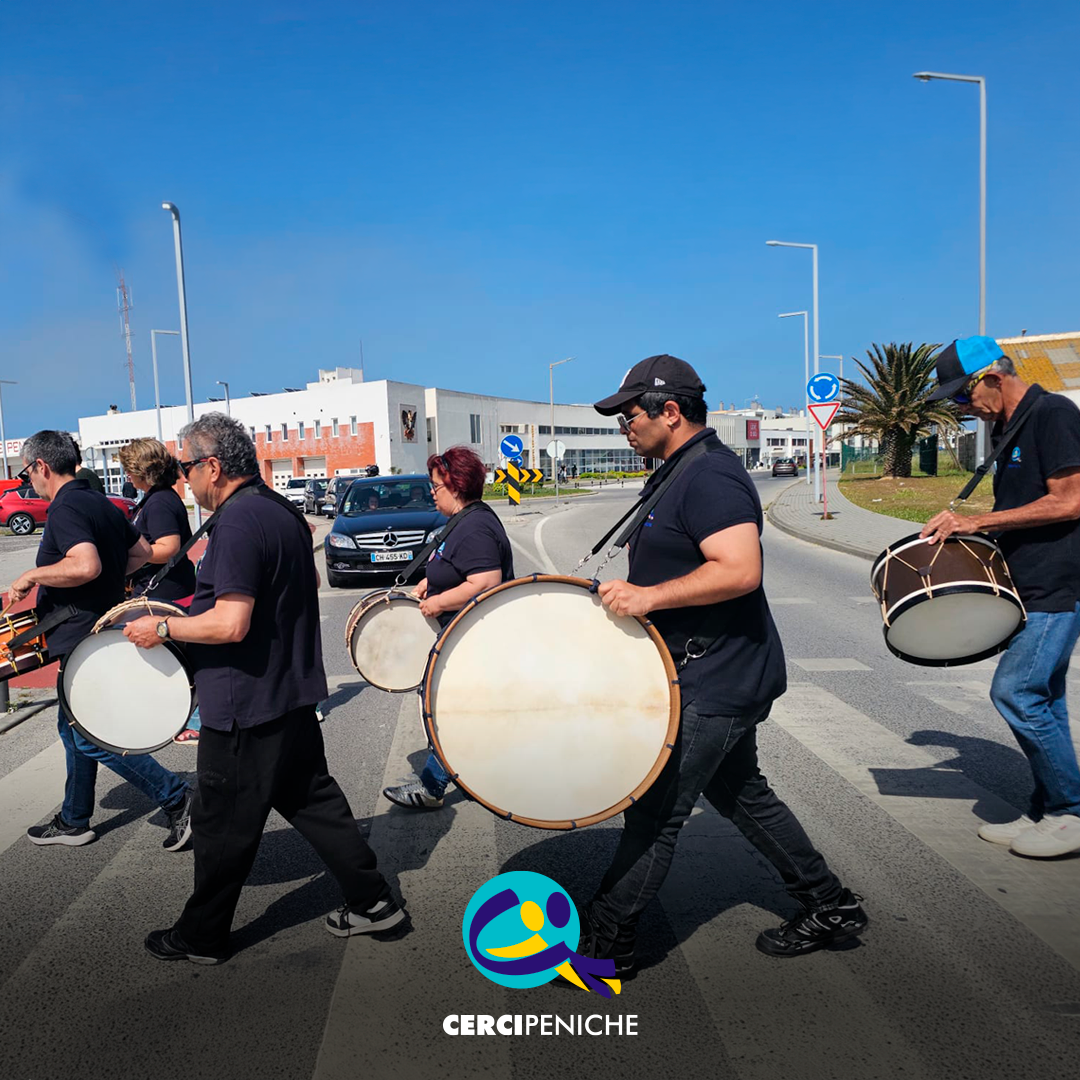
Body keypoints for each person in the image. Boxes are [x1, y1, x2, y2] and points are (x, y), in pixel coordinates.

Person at [575, 355, 867, 974]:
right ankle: (829, 904)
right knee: (741, 794)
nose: (623, 427)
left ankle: (605, 948)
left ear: (670, 412)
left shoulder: (709, 475)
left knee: (655, 812)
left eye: (629, 415)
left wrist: (649, 597)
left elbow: (739, 570)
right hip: (705, 669)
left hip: (717, 676)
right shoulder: (678, 471)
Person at [123, 413, 404, 964]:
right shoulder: (281, 511)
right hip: (291, 692)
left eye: (186, 468)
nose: (183, 480)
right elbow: (308, 583)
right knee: (316, 804)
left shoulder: (236, 522)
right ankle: (373, 903)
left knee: (220, 826)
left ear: (213, 465)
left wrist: (162, 627)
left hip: (244, 702)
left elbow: (230, 624)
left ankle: (201, 937)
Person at [922, 336, 1080, 858]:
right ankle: (1047, 809)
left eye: (962, 398)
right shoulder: (1011, 427)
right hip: (1029, 583)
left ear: (992, 376)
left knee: (1015, 693)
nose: (961, 409)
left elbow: (1070, 500)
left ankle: (1071, 813)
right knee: (1045, 697)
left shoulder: (1052, 414)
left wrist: (979, 520)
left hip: (1058, 585)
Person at [5, 431, 193, 850]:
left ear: (42, 467)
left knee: (90, 731)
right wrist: (111, 577)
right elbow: (143, 551)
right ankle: (74, 818)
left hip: (78, 634)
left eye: (26, 473)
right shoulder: (99, 501)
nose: (27, 482)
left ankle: (177, 797)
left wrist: (32, 575)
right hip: (98, 629)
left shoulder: (66, 507)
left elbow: (84, 563)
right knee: (73, 727)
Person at [382, 446, 514, 809]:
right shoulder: (463, 521)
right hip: (463, 638)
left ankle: (431, 786)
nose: (432, 492)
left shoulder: (474, 527)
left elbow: (486, 580)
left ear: (455, 486)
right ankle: (471, 773)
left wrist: (438, 602)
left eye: (436, 486)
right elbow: (457, 569)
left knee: (451, 713)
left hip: (476, 640)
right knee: (457, 711)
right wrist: (430, 583)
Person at [118, 439, 196, 603]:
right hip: (162, 587)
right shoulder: (158, 497)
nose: (128, 474)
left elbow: (169, 548)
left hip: (164, 591)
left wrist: (128, 554)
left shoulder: (159, 502)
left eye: (130, 469)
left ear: (144, 471)